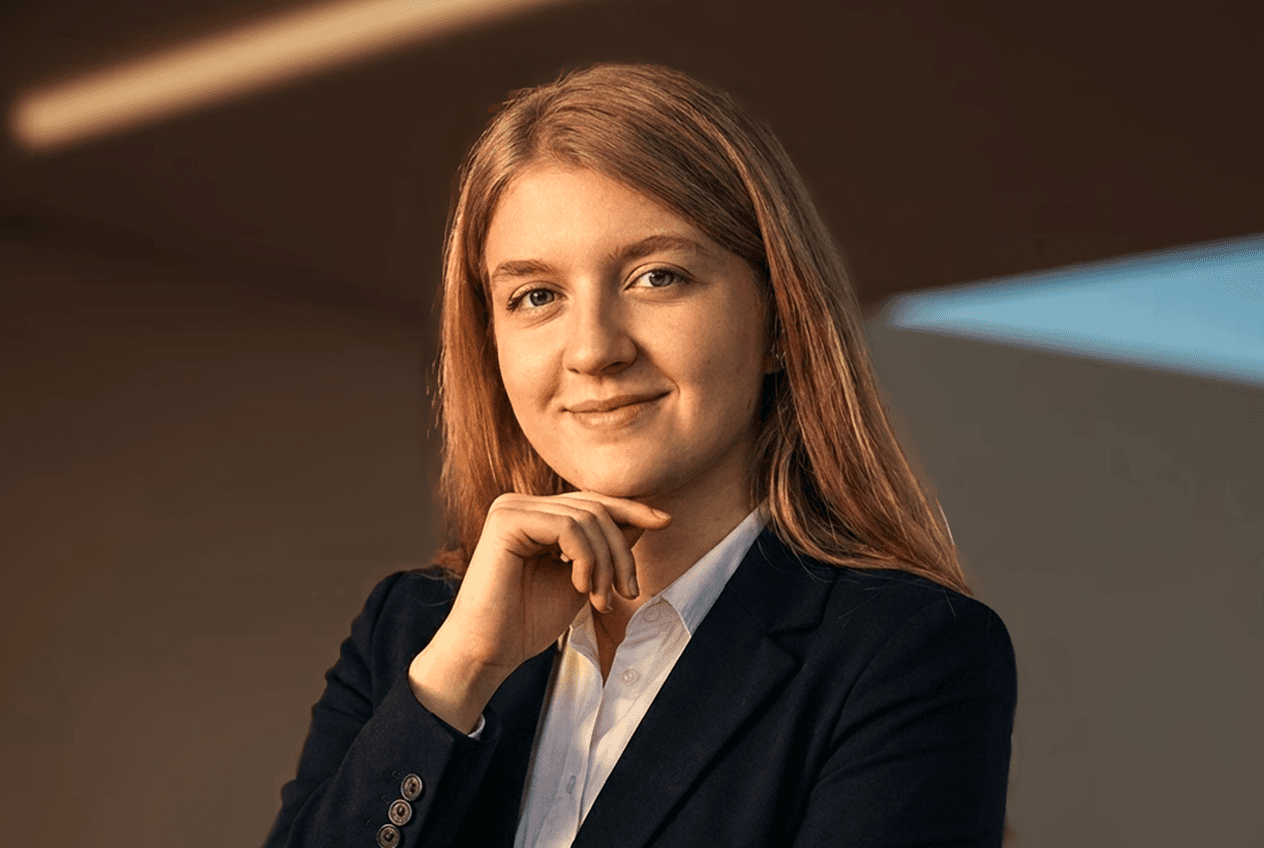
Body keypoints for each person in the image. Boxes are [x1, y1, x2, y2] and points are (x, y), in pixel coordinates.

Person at [263, 63, 1017, 848]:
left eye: (657, 276)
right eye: (536, 296)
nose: (592, 349)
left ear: (781, 322)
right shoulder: (413, 632)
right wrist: (459, 677)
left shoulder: (907, 652)